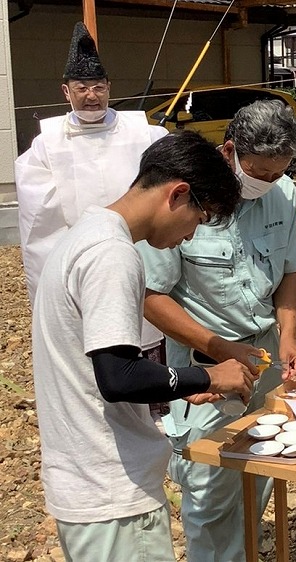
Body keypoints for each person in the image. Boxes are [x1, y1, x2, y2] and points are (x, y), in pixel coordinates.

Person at [32, 131, 258, 562]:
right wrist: (209, 373)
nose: (191, 237)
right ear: (178, 194)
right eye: (200, 218)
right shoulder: (111, 254)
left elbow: (106, 368)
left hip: (85, 482)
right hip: (111, 490)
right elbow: (119, 377)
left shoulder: (87, 231)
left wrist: (177, 384)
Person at [138, 99, 296, 562]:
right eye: (259, 173)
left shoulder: (285, 193)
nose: (269, 183)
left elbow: (290, 271)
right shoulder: (187, 198)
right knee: (208, 490)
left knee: (261, 472)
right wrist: (218, 347)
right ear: (230, 151)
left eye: (278, 173)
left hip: (266, 357)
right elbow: (152, 296)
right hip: (205, 366)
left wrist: (289, 335)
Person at [15, 21, 168, 360]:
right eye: (81, 88)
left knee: (143, 329)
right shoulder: (48, 142)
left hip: (138, 253)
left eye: (98, 87)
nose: (91, 96)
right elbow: (39, 217)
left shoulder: (142, 132)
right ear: (66, 91)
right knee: (84, 342)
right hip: (79, 260)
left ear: (109, 87)